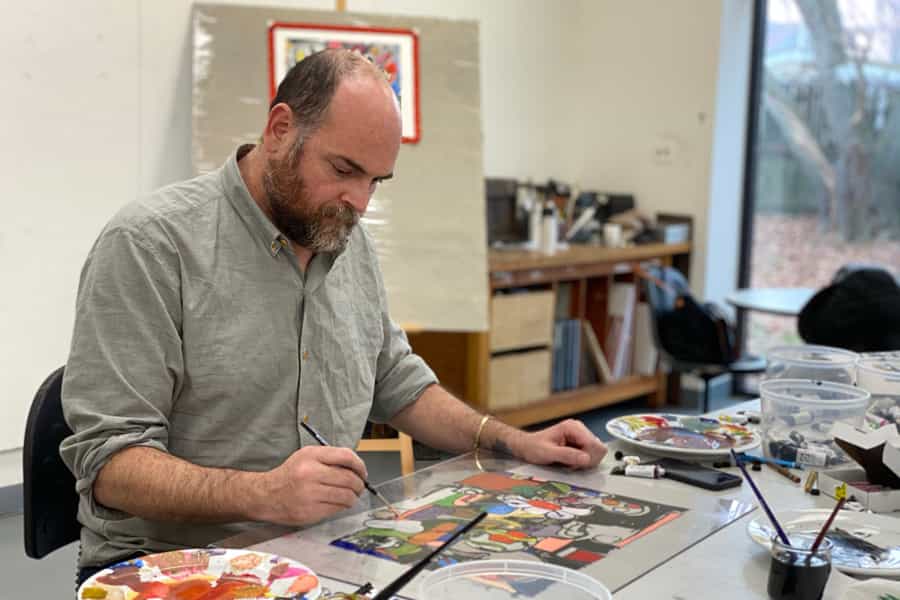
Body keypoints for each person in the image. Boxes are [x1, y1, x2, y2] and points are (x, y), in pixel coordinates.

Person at [61, 49, 607, 581]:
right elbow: (110, 465)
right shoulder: (151, 245)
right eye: (345, 169)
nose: (361, 201)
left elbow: (396, 382)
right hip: (176, 565)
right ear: (280, 129)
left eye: (376, 180)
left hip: (319, 551)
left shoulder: (343, 236)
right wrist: (263, 494)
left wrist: (514, 441)